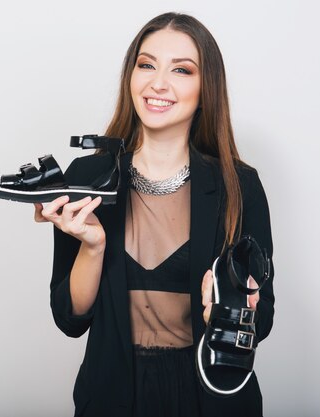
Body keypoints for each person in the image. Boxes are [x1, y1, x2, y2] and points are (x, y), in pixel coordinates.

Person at [33, 12, 275, 417]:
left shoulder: (240, 184)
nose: (158, 83)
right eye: (146, 65)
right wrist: (92, 247)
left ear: (205, 88)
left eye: (181, 70)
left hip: (211, 399)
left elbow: (261, 318)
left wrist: (227, 307)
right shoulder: (87, 178)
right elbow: (70, 319)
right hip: (111, 394)